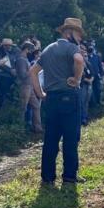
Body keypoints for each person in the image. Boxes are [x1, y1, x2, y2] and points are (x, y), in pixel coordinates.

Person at [31, 18, 86, 186]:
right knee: (70, 137)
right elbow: (79, 60)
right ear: (69, 33)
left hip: (51, 98)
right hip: (68, 96)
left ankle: (47, 177)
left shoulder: (48, 49)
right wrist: (77, 78)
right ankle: (69, 176)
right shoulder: (72, 48)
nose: (80, 38)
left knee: (51, 139)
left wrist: (40, 93)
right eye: (78, 34)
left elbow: (33, 71)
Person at [16, 42, 36, 126]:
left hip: (30, 86)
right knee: (23, 107)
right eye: (30, 50)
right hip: (25, 86)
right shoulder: (21, 60)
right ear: (26, 49)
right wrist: (32, 68)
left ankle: (37, 127)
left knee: (36, 106)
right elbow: (23, 75)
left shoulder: (25, 59)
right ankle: (19, 126)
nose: (31, 52)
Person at [0, 38, 17, 109]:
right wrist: (10, 70)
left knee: (10, 94)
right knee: (2, 94)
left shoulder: (12, 53)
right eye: (8, 45)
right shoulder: (0, 53)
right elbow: (0, 64)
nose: (10, 47)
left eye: (11, 45)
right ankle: (0, 109)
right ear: (4, 46)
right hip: (3, 76)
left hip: (11, 77)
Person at [79, 45, 95, 125]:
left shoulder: (88, 64)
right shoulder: (78, 64)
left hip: (89, 85)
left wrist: (91, 79)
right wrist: (88, 80)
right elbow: (80, 76)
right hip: (82, 85)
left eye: (86, 55)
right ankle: (81, 118)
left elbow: (92, 73)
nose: (86, 57)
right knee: (81, 102)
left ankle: (85, 116)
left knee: (86, 102)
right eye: (84, 55)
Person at [88, 42, 104, 107]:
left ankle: (98, 101)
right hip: (89, 76)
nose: (91, 49)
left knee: (98, 89)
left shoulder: (97, 56)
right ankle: (92, 103)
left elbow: (100, 66)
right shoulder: (86, 57)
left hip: (96, 75)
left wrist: (102, 74)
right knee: (90, 90)